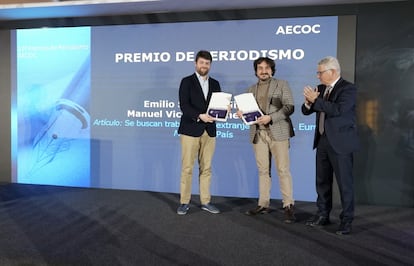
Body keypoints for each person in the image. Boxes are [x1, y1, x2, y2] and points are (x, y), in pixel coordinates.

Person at [302, 56, 359, 235]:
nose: (318, 76)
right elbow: (306, 111)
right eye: (318, 73)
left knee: (344, 184)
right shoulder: (320, 89)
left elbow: (338, 110)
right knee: (322, 182)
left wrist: (316, 100)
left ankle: (346, 221)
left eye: (320, 72)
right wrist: (308, 102)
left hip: (340, 143)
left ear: (333, 72)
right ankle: (323, 215)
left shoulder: (348, 88)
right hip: (322, 141)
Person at [237, 57, 296, 223]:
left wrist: (270, 118)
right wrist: (242, 116)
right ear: (256, 71)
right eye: (260, 68)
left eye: (267, 68)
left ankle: (288, 206)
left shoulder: (282, 84)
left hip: (278, 132)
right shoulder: (249, 90)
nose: (263, 71)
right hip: (258, 134)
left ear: (272, 70)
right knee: (263, 170)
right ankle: (263, 204)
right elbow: (249, 117)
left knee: (283, 170)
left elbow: (289, 107)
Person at [176, 50, 222, 215]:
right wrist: (199, 116)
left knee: (206, 168)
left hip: (209, 131)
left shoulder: (215, 83)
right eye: (202, 62)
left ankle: (206, 201)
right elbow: (184, 105)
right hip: (190, 129)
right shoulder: (186, 81)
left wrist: (225, 110)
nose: (204, 66)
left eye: (207, 63)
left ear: (210, 65)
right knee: (187, 168)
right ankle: (184, 202)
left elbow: (218, 106)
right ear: (196, 63)